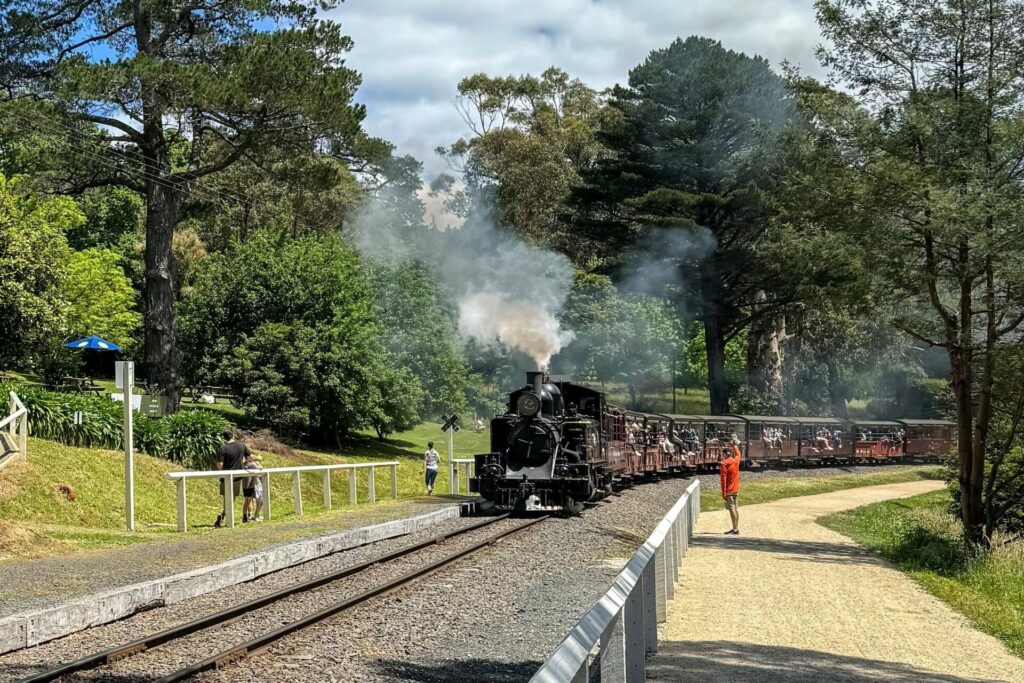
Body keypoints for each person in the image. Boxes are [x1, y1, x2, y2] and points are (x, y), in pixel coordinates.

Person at [215, 428, 251, 528]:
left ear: (224, 438)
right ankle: (225, 517)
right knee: (232, 499)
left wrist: (219, 470)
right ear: (233, 435)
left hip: (225, 477)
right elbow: (250, 458)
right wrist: (242, 464)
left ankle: (223, 516)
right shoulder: (241, 445)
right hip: (236, 477)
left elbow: (220, 465)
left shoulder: (223, 448)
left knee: (226, 499)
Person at [720, 438, 741, 535]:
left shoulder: (724, 464)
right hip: (736, 488)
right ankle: (736, 527)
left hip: (729, 489)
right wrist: (734, 446)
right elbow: (738, 455)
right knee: (735, 508)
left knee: (731, 508)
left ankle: (735, 529)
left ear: (724, 454)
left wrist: (723, 493)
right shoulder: (735, 461)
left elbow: (723, 480)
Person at [242, 452, 264, 523]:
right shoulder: (252, 464)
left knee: (246, 500)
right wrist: (257, 462)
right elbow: (261, 468)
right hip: (251, 484)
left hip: (245, 484)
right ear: (248, 458)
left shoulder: (244, 465)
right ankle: (250, 516)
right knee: (250, 500)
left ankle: (245, 516)